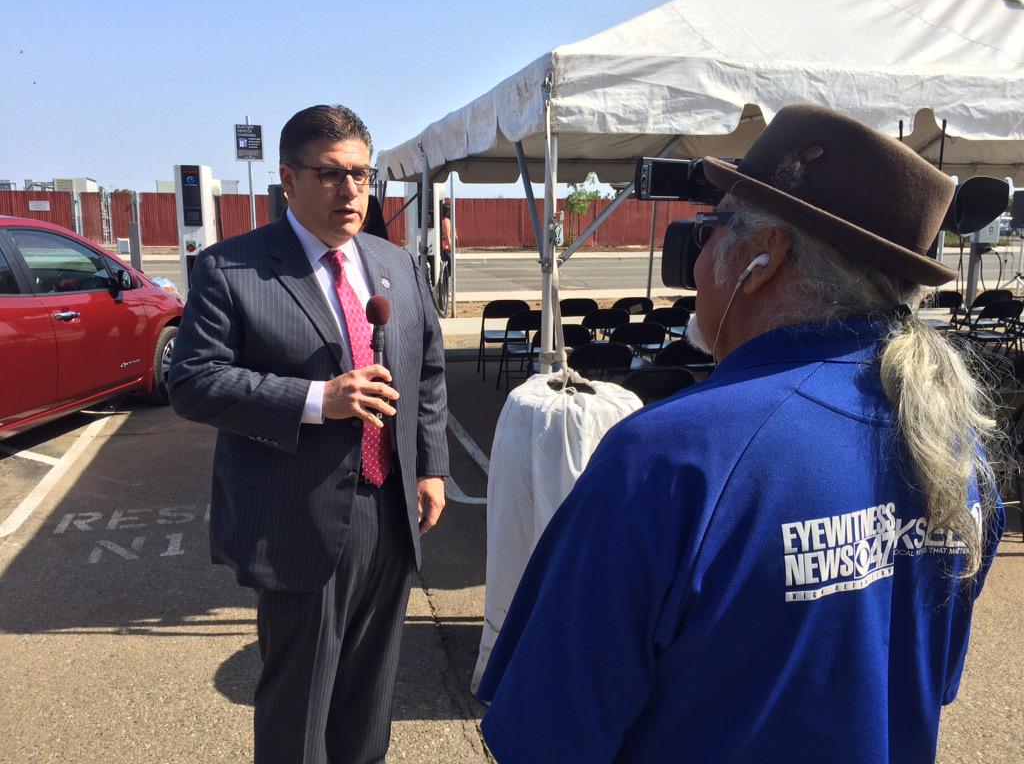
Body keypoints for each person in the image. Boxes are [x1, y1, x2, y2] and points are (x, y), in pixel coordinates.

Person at [476, 104, 1006, 763]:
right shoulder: (953, 444)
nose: (697, 258)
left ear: (763, 255)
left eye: (711, 228)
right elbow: (924, 681)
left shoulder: (671, 458)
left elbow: (545, 739)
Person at [169, 104, 448, 764]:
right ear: (288, 180)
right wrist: (318, 399)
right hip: (298, 520)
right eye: (330, 174)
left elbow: (428, 369)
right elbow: (192, 382)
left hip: (389, 508)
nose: (351, 191)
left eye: (362, 174)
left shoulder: (394, 265)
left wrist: (431, 466)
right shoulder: (231, 270)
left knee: (369, 699)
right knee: (299, 711)